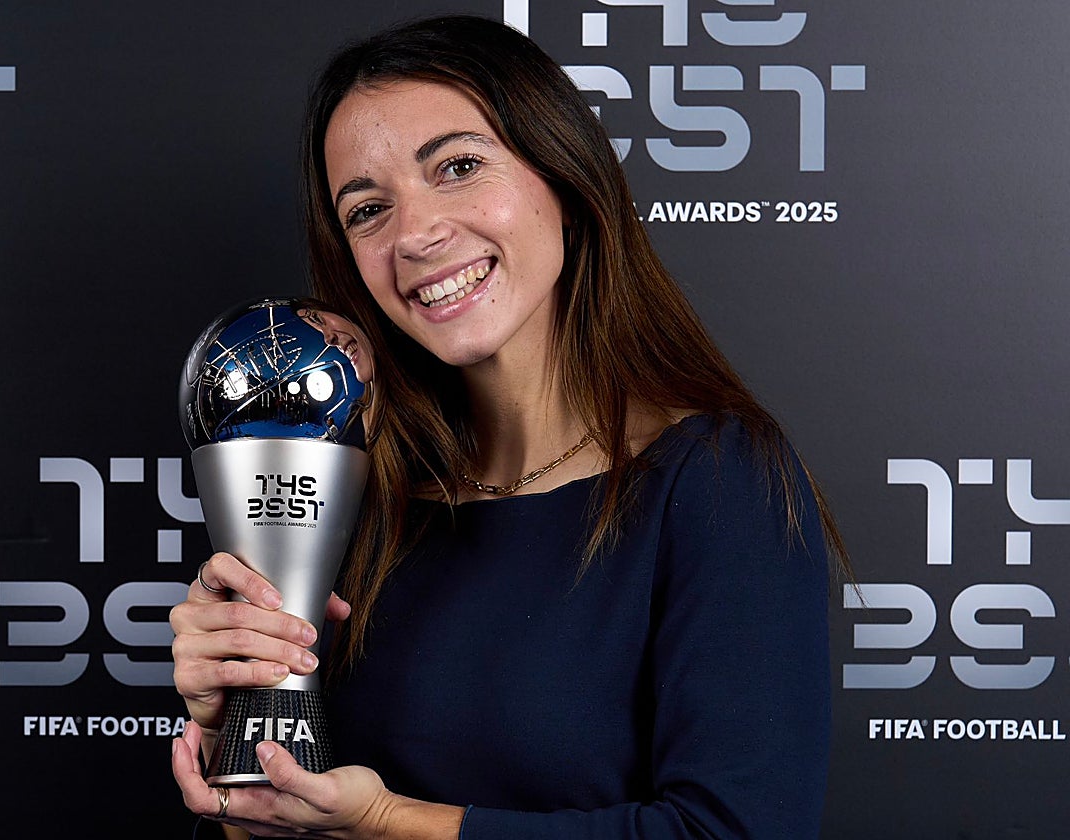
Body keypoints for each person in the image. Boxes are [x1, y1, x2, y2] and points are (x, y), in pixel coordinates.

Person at [170, 14, 849, 839]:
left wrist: (389, 821)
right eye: (367, 210)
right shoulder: (356, 499)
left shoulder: (716, 476)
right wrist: (241, 736)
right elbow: (284, 830)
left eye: (458, 166)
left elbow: (738, 831)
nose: (415, 235)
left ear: (563, 176)